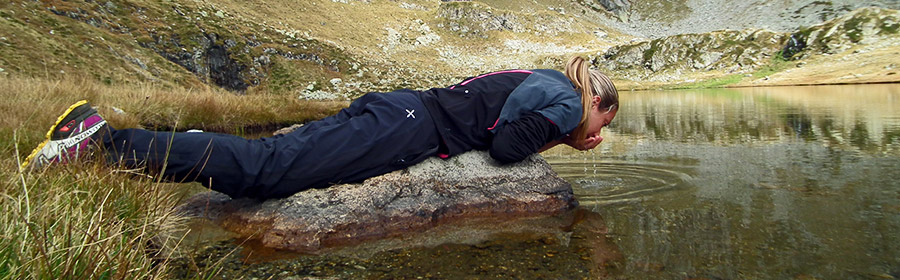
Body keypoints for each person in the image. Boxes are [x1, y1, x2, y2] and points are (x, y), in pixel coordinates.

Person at [22, 56, 619, 199]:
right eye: (601, 123)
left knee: (269, 159)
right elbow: (509, 147)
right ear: (594, 99)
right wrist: (567, 135)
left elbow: (497, 118)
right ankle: (99, 142)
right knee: (269, 171)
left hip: (400, 111)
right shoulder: (566, 101)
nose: (594, 132)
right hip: (408, 126)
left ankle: (105, 141)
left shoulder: (542, 76)